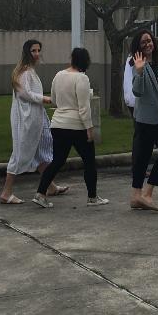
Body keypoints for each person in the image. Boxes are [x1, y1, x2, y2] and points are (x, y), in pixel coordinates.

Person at [32, 47, 109, 208]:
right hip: (76, 126)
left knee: (57, 161)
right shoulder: (82, 78)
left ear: (72, 58)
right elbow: (84, 108)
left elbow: (54, 99)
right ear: (86, 61)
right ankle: (92, 197)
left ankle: (40, 193)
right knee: (89, 161)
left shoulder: (58, 75)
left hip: (58, 124)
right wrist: (90, 129)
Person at [0, 39, 68, 204]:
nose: (37, 54)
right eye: (33, 51)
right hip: (27, 120)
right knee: (20, 154)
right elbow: (25, 94)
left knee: (41, 153)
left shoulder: (30, 71)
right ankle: (6, 193)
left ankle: (50, 186)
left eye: (38, 50)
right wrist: (45, 99)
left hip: (37, 118)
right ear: (27, 52)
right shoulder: (24, 72)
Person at [129, 31, 158, 211]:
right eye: (143, 42)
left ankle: (138, 196)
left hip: (153, 117)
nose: (148, 44)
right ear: (138, 47)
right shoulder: (138, 64)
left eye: (150, 40)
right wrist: (139, 72)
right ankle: (143, 195)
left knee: (145, 157)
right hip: (146, 119)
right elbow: (137, 91)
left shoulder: (153, 65)